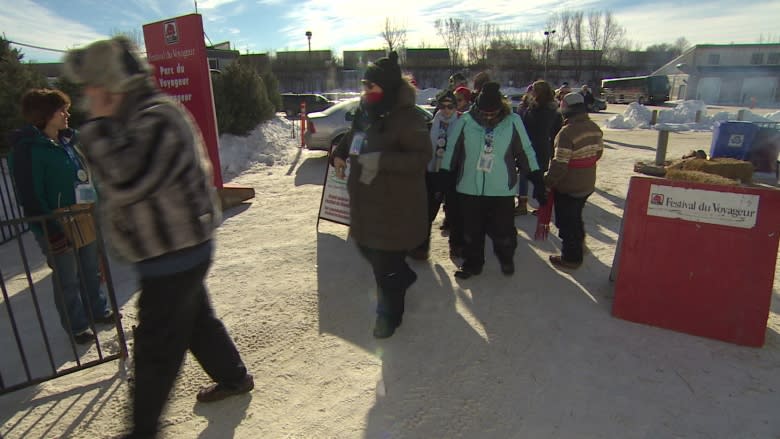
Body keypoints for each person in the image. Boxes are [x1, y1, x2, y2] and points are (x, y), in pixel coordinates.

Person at [63, 36, 253, 438]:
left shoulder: (156, 116)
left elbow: (129, 178)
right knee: (197, 320)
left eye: (92, 87)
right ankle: (234, 377)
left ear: (110, 83)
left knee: (155, 350)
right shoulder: (136, 116)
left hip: (176, 251)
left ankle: (142, 431)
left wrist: (95, 128)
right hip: (175, 248)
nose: (87, 98)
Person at [330, 51, 431, 338]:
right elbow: (353, 136)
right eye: (364, 86)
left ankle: (388, 318)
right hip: (366, 203)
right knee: (367, 250)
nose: (366, 91)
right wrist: (339, 154)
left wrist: (381, 160)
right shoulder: (366, 111)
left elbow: (422, 157)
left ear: (386, 88)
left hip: (394, 206)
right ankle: (403, 276)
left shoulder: (409, 118)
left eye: (370, 86)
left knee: (384, 269)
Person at [8, 88, 114, 345]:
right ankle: (77, 326)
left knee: (90, 267)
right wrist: (50, 231)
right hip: (54, 222)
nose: (67, 114)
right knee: (67, 276)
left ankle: (98, 310)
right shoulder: (28, 151)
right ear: (45, 114)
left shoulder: (68, 141)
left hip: (83, 215)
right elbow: (30, 196)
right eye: (61, 110)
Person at [442, 82, 545, 279]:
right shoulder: (465, 121)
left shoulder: (513, 120)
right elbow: (452, 149)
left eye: (493, 112)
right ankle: (473, 264)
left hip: (501, 188)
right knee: (471, 231)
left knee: (503, 230)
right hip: (469, 187)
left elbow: (525, 151)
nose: (488, 116)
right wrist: (445, 174)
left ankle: (506, 256)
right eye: (484, 112)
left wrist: (537, 178)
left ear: (500, 107)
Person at [544, 92, 604, 269]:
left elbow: (560, 164)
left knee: (566, 222)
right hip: (587, 182)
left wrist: (548, 181)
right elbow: (598, 153)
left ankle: (571, 258)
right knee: (576, 216)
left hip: (569, 185)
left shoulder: (566, 133)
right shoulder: (594, 127)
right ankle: (580, 244)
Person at [409, 90, 464, 261]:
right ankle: (420, 248)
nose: (447, 110)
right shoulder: (430, 125)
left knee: (455, 213)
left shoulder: (463, 125)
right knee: (426, 212)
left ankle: (457, 247)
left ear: (456, 107)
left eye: (451, 106)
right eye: (443, 106)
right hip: (432, 173)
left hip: (453, 174)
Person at [516, 80, 563, 215]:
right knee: (539, 177)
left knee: (524, 175)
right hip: (544, 147)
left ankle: (522, 204)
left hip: (530, 146)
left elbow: (524, 127)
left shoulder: (532, 109)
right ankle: (543, 206)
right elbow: (556, 130)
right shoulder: (554, 110)